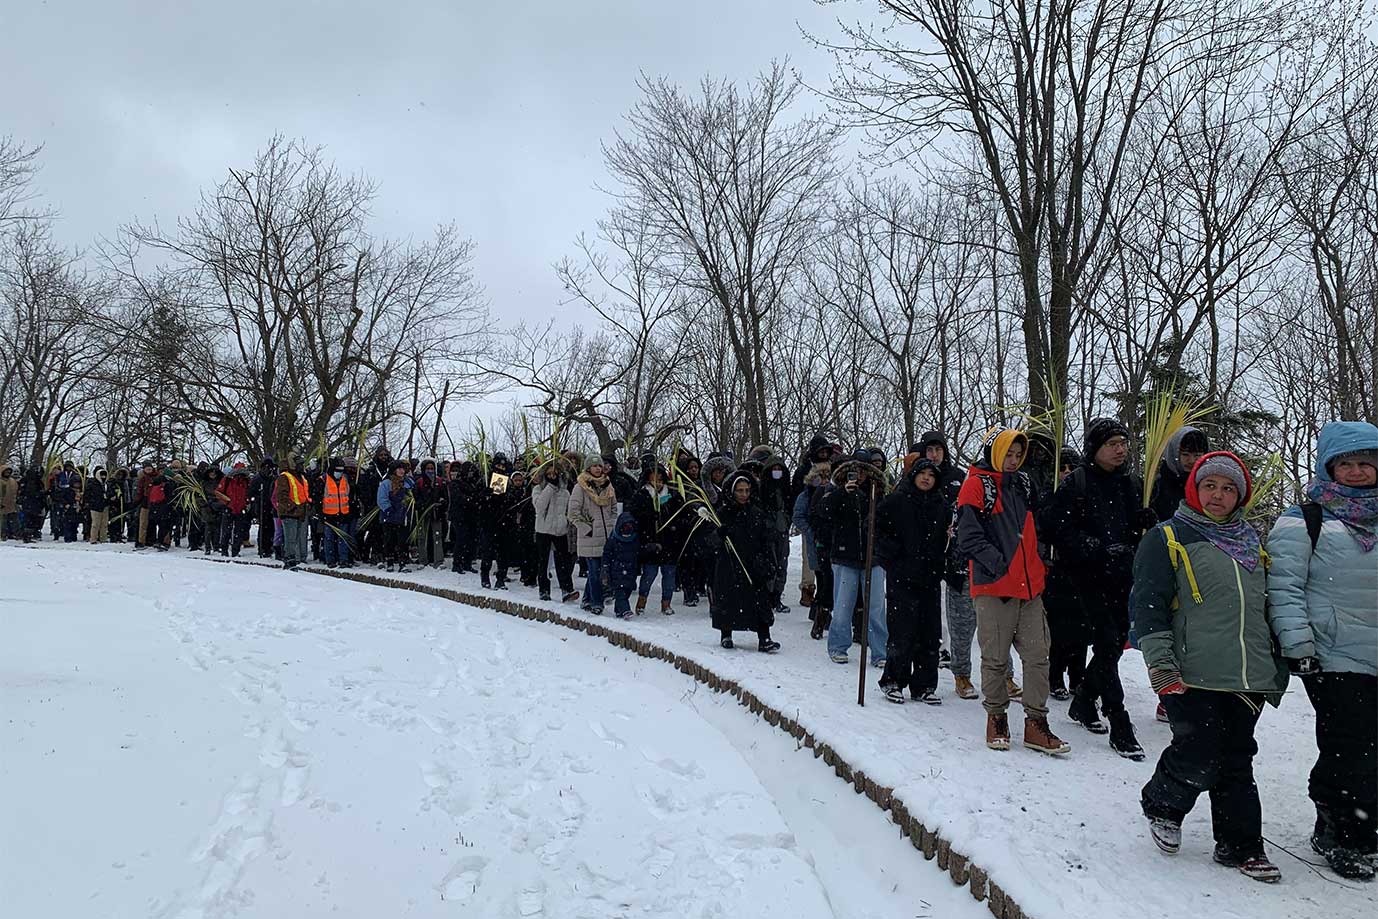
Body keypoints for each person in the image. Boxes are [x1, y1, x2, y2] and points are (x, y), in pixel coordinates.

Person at [1134, 451, 1287, 882]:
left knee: (1237, 758)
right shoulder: (1167, 537)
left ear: (1241, 495)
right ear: (1194, 489)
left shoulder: (1253, 542)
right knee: (1199, 750)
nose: (1218, 495)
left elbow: (1265, 607)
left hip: (1246, 674)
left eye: (1228, 488)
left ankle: (1240, 846)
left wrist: (1277, 660)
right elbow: (1148, 607)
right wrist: (1161, 665)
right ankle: (1163, 806)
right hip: (1192, 668)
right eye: (1209, 486)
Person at [1268, 421, 1378, 881]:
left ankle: (1353, 821)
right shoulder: (1304, 519)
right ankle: (1343, 830)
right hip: (1332, 654)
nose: (1356, 472)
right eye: (1346, 464)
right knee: (1351, 746)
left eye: (1365, 464)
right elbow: (1284, 586)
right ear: (1329, 467)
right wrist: (1298, 645)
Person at [1045, 418, 1155, 760]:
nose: (1120, 449)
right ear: (1096, 448)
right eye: (1112, 444)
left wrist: (1141, 522)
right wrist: (1094, 547)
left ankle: (1082, 701)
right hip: (1083, 579)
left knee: (1114, 645)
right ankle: (1119, 721)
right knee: (1107, 642)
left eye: (1123, 442)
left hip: (1121, 576)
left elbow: (1126, 525)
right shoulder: (1076, 483)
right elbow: (1055, 529)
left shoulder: (1130, 484)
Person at [956, 427, 1068, 756]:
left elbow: (1037, 528)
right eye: (1008, 453)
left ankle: (1036, 723)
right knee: (995, 658)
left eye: (1018, 455)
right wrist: (1001, 566)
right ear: (994, 451)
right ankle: (997, 716)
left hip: (1030, 586)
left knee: (1038, 657)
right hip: (995, 586)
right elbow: (969, 536)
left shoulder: (1023, 484)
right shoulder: (977, 485)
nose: (1013, 460)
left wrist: (1038, 563)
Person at [876, 457, 950, 704]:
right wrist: (892, 554)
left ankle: (924, 685)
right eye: (923, 473)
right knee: (902, 631)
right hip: (902, 576)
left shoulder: (941, 505)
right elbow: (875, 529)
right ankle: (893, 680)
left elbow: (946, 539)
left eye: (931, 474)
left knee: (929, 634)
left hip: (930, 577)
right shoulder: (897, 501)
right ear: (914, 475)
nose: (926, 478)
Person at [818, 449, 889, 666]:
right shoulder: (836, 493)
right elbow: (822, 513)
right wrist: (842, 493)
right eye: (854, 470)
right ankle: (838, 646)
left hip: (873, 558)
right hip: (844, 556)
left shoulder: (879, 494)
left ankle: (880, 652)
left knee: (876, 608)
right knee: (842, 606)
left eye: (863, 470)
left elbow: (888, 524)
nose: (858, 475)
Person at [706, 473, 780, 652]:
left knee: (759, 600)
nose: (744, 494)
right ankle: (726, 634)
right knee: (728, 599)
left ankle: (764, 637)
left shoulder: (756, 513)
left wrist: (767, 561)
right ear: (732, 492)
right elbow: (709, 542)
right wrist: (719, 535)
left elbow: (766, 539)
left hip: (753, 564)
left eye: (747, 490)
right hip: (729, 564)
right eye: (740, 491)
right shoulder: (723, 513)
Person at [1039, 448, 1090, 701]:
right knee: (1059, 627)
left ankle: (1077, 676)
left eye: (1071, 468)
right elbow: (1043, 527)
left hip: (1081, 568)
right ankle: (1055, 674)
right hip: (1055, 568)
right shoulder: (1049, 495)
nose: (1067, 473)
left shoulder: (1084, 495)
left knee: (1081, 627)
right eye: (1063, 468)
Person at [628, 457, 682, 615]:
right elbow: (634, 514)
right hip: (649, 540)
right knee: (649, 574)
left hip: (670, 541)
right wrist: (650, 514)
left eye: (660, 477)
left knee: (669, 575)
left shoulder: (672, 495)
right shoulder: (642, 494)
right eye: (654, 477)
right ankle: (642, 600)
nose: (657, 480)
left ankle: (666, 603)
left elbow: (680, 515)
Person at [569, 455, 618, 614]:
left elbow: (613, 508)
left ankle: (586, 599)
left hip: (606, 536)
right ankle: (597, 603)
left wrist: (611, 524)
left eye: (599, 465)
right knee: (595, 572)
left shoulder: (608, 485)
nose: (598, 468)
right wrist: (587, 528)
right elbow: (573, 513)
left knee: (599, 572)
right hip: (589, 537)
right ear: (588, 468)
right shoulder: (580, 487)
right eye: (594, 466)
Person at [791, 434, 834, 606]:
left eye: (826, 451)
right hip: (810, 524)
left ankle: (824, 600)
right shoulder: (803, 472)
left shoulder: (833, 469)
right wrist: (808, 529)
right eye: (820, 451)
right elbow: (796, 500)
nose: (823, 454)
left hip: (828, 528)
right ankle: (808, 590)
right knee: (810, 561)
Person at [793, 459, 833, 640]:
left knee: (827, 580)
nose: (823, 481)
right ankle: (820, 616)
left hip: (829, 542)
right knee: (822, 578)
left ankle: (819, 612)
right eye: (820, 478)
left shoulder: (832, 493)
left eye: (827, 477)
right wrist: (810, 532)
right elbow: (798, 517)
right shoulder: (806, 496)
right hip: (814, 542)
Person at [532, 459, 579, 603]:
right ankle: (544, 590)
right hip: (543, 530)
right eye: (549, 473)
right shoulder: (538, 489)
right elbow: (539, 506)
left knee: (563, 562)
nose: (552, 476)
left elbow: (568, 510)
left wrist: (567, 522)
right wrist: (550, 487)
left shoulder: (565, 492)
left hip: (560, 531)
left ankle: (567, 589)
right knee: (543, 562)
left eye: (555, 473)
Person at [1150, 426, 1209, 523]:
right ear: (1174, 454)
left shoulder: (1208, 483)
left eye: (1197, 455)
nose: (1191, 461)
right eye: (1185, 454)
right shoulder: (1158, 486)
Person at [477, 454, 516, 589]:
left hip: (503, 521)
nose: (500, 469)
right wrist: (485, 495)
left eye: (502, 466)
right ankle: (485, 575)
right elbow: (478, 500)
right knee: (488, 551)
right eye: (498, 466)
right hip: (488, 522)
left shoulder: (508, 482)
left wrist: (505, 498)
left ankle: (501, 578)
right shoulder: (485, 479)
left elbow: (511, 500)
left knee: (503, 553)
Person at [318, 457, 358, 568]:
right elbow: (318, 498)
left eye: (341, 470)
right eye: (337, 470)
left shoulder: (345, 480)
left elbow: (349, 496)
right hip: (329, 514)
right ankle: (330, 559)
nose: (339, 473)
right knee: (329, 538)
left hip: (343, 514)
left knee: (343, 539)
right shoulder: (323, 480)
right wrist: (321, 514)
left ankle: (343, 559)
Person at [275, 452, 312, 570]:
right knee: (291, 539)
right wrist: (292, 507)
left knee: (295, 539)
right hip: (290, 513)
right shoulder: (284, 477)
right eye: (300, 464)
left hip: (300, 512)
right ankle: (289, 560)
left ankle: (292, 560)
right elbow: (281, 496)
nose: (303, 466)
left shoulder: (302, 478)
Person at [376, 459, 414, 573]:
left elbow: (413, 494)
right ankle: (390, 562)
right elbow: (381, 499)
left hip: (403, 516)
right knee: (389, 540)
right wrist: (388, 509)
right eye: (399, 468)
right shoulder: (386, 483)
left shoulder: (408, 483)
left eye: (403, 469)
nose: (402, 471)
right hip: (389, 516)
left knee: (402, 541)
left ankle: (403, 563)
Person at [604, 510, 642, 619]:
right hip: (617, 570)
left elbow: (639, 553)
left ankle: (618, 610)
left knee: (627, 591)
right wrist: (605, 568)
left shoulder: (634, 539)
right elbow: (606, 554)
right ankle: (625, 610)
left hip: (630, 570)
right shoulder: (613, 539)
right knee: (620, 592)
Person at [410, 457, 447, 568]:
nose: (430, 471)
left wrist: (442, 504)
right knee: (422, 537)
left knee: (437, 536)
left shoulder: (440, 482)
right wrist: (423, 505)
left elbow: (445, 497)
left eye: (432, 468)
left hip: (437, 513)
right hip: (423, 513)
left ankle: (438, 560)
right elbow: (415, 499)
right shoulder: (419, 483)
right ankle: (423, 559)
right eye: (428, 468)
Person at [447, 461, 481, 574]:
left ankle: (467, 562)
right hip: (460, 516)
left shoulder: (474, 483)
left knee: (472, 540)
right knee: (461, 540)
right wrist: (470, 500)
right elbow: (458, 498)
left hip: (471, 516)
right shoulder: (455, 483)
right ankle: (457, 563)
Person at [215, 463, 253, 557]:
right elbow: (218, 493)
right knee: (227, 531)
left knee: (238, 531)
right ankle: (225, 550)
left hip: (240, 509)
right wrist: (227, 503)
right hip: (229, 508)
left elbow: (248, 494)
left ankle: (235, 551)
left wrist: (246, 503)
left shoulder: (246, 481)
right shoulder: (227, 480)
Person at [249, 456, 278, 558]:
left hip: (271, 505)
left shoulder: (274, 478)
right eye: (266, 467)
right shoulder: (257, 479)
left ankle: (270, 547)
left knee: (272, 527)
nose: (269, 470)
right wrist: (257, 499)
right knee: (264, 528)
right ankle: (263, 548)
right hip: (261, 505)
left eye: (270, 467)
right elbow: (251, 493)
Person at [18, 466, 46, 542]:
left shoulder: (36, 481)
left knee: (32, 519)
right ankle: (27, 535)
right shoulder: (32, 481)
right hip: (32, 503)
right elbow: (32, 493)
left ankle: (31, 533)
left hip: (33, 503)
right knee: (30, 519)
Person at [0, 463, 17, 540]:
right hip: (2, 503)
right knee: (3, 521)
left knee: (12, 520)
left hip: (11, 503)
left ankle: (12, 533)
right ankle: (3, 533)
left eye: (9, 472)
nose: (7, 473)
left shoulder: (13, 481)